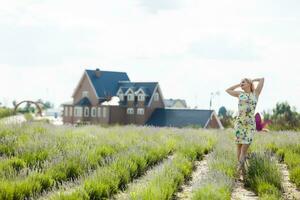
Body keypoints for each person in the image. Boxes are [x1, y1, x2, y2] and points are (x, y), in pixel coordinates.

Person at [226, 77, 265, 180]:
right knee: (239, 148)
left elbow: (262, 79)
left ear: (249, 83)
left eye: (243, 82)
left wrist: (253, 79)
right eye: (241, 82)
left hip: (250, 126)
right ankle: (243, 174)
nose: (241, 83)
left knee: (244, 149)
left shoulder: (255, 94)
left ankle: (237, 171)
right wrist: (238, 85)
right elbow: (228, 90)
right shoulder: (239, 94)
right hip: (239, 124)